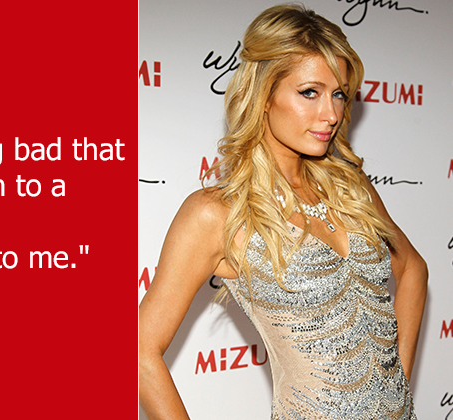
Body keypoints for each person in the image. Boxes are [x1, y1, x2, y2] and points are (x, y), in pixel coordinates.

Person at [138, 4, 428, 420]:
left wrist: (396, 389)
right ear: (263, 95)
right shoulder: (217, 213)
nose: (331, 114)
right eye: (309, 92)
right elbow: (139, 351)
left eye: (339, 93)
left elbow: (413, 269)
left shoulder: (351, 187)